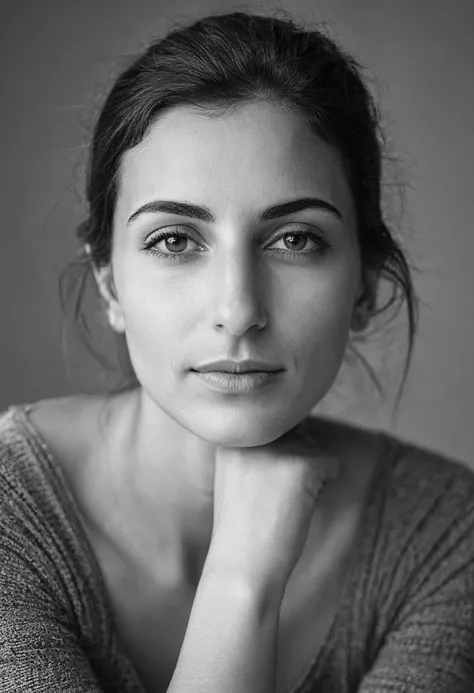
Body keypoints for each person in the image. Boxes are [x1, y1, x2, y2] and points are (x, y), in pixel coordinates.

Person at [1, 9, 473, 693]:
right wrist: (242, 579)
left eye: (295, 239)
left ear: (365, 284)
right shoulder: (13, 518)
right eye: (174, 240)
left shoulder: (446, 539)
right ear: (110, 282)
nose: (238, 311)